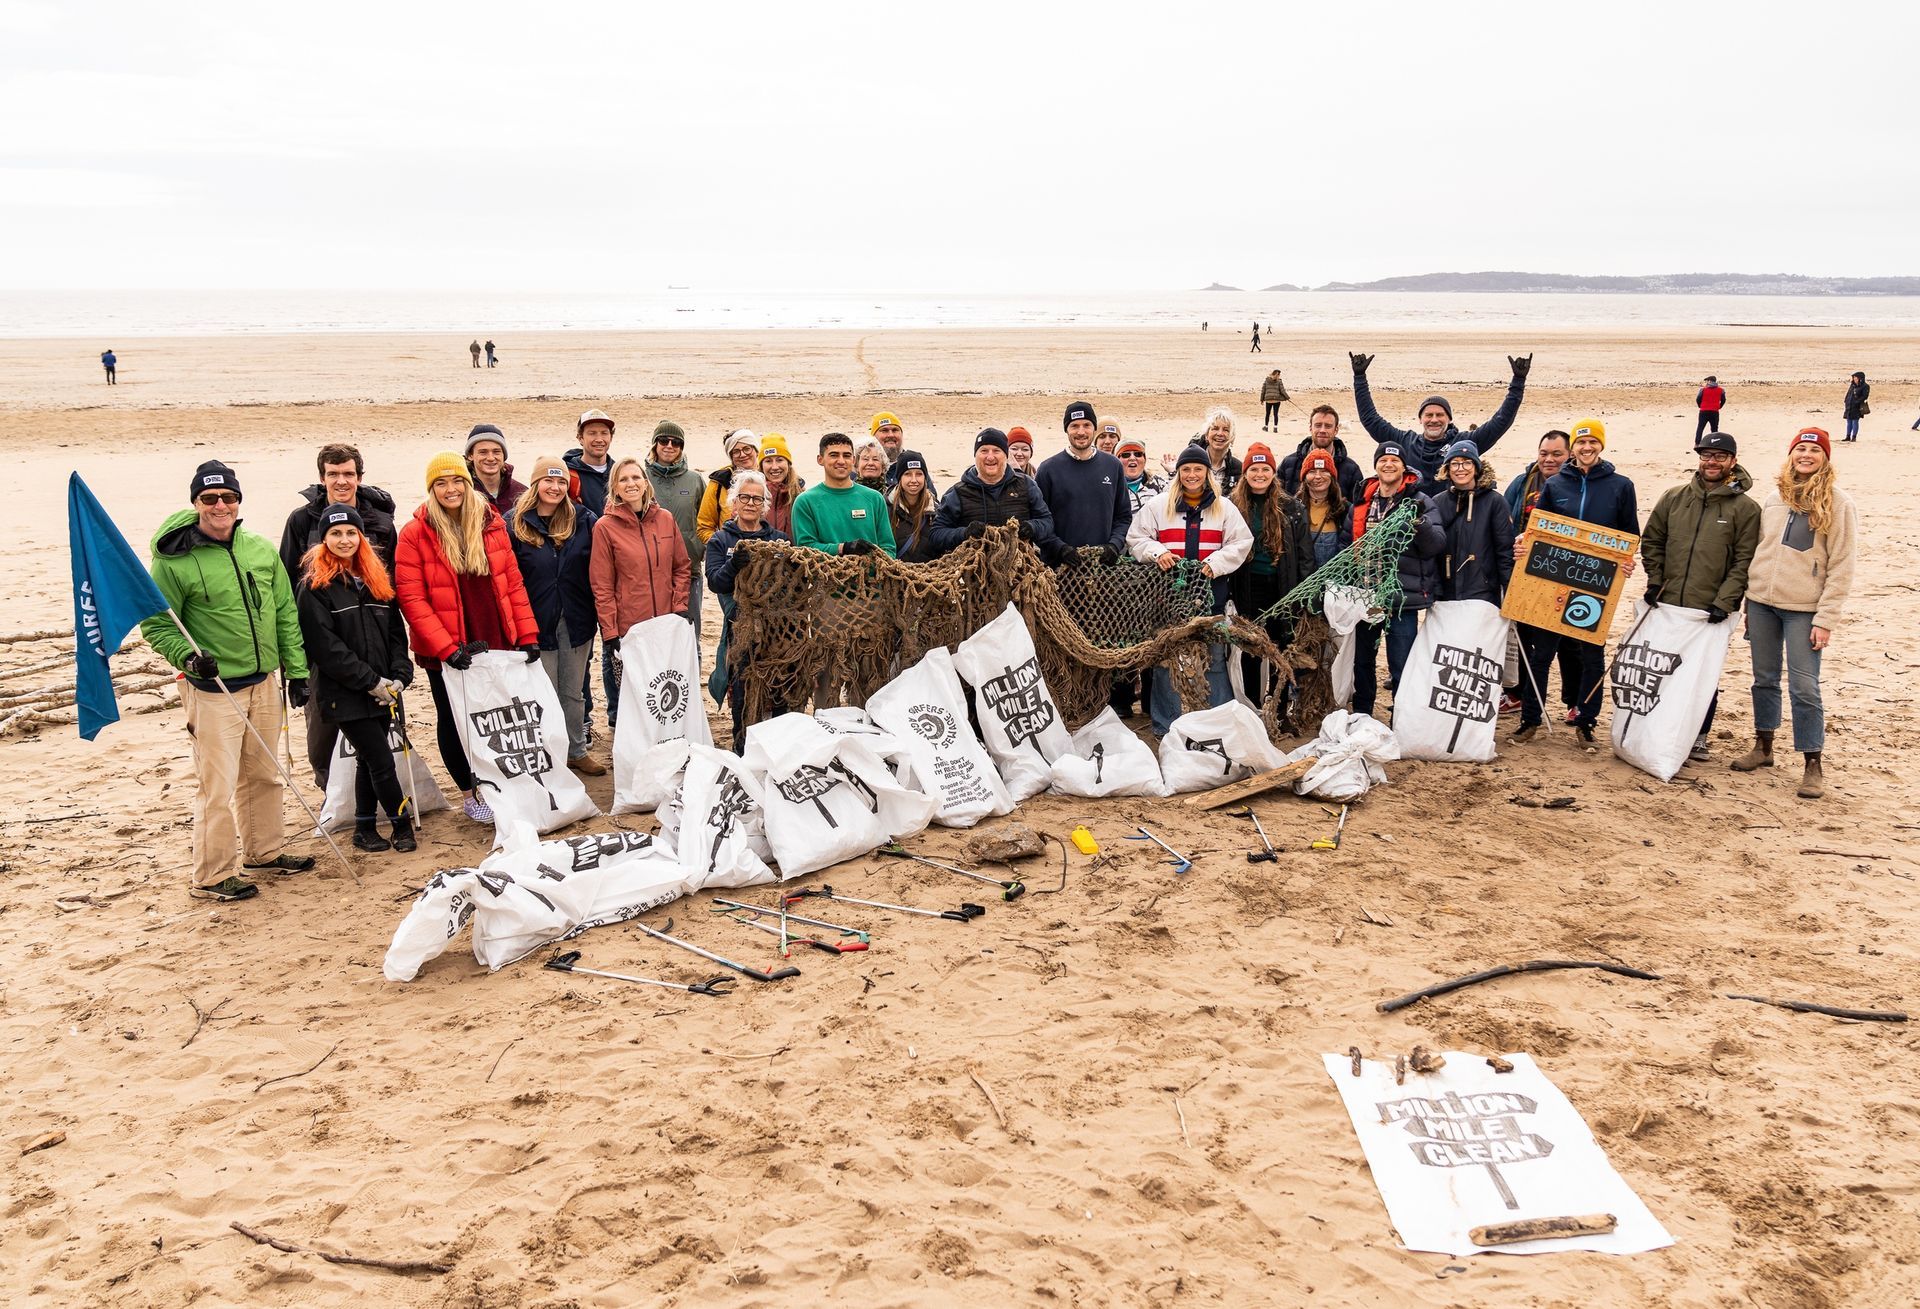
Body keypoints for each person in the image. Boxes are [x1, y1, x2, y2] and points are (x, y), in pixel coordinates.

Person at [141, 461, 313, 900]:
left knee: (264, 774)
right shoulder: (173, 561)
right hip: (212, 690)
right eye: (209, 499)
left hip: (263, 681)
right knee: (216, 786)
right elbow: (157, 626)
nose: (220, 506)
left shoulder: (258, 547)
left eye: (228, 498)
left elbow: (285, 614)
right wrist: (188, 658)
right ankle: (212, 875)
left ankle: (265, 852)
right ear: (196, 503)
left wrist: (295, 671)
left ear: (239, 501)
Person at [394, 453, 541, 824]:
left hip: (493, 633)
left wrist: (526, 633)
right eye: (440, 483)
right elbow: (412, 598)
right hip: (448, 645)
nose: (450, 489)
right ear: (431, 489)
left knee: (496, 715)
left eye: (456, 481)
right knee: (453, 716)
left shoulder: (490, 524)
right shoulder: (415, 533)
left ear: (467, 482)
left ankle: (503, 781)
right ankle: (470, 792)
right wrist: (446, 648)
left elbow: (513, 582)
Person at [1732, 428, 1856, 799]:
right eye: (1800, 449)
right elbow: (1759, 550)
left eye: (1813, 450)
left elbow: (1842, 565)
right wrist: (1751, 602)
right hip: (1763, 604)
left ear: (1825, 458)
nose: (1806, 455)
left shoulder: (1838, 502)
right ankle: (1764, 746)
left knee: (1805, 687)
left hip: (1804, 610)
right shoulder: (1774, 498)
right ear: (1790, 455)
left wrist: (1826, 618)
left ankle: (1812, 763)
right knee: (1764, 678)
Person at [277, 442, 401, 786]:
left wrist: (396, 649)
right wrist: (292, 658)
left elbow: (392, 587)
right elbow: (286, 584)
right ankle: (328, 787)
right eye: (333, 474)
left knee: (375, 721)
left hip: (370, 635)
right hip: (321, 640)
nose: (341, 481)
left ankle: (370, 794)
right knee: (323, 723)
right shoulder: (302, 521)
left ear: (360, 477)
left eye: (348, 474)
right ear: (322, 478)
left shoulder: (380, 523)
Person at [295, 505, 415, 853]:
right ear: (324, 539)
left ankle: (364, 828)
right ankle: (401, 825)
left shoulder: (377, 581)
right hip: (343, 693)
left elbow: (396, 634)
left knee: (367, 758)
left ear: (361, 537)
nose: (344, 540)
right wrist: (369, 682)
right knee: (380, 759)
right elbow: (326, 648)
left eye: (351, 533)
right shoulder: (315, 587)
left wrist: (398, 676)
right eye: (336, 533)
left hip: (382, 689)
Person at [1511, 418, 1640, 744]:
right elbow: (1538, 528)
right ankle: (1530, 719)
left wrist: (1627, 560)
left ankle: (1586, 722)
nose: (1586, 448)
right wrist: (1524, 541)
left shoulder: (1620, 486)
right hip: (1554, 581)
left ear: (1601, 445)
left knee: (1591, 656)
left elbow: (1629, 535)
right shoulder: (1556, 486)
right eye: (1581, 443)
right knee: (1542, 656)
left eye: (1592, 443)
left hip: (1594, 585)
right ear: (1575, 449)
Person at [1641, 430, 1761, 764]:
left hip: (1710, 608)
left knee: (1701, 675)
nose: (1711, 461)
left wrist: (1725, 601)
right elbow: (1652, 541)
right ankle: (1657, 725)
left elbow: (1744, 559)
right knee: (1662, 668)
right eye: (1706, 455)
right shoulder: (1674, 497)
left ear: (1732, 461)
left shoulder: (1746, 509)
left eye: (1719, 456)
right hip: (1668, 602)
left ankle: (1700, 736)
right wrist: (1655, 581)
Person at [1127, 445, 1253, 734]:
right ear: (1179, 473)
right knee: (1164, 661)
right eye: (1186, 469)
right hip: (1167, 600)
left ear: (1207, 473)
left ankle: (1220, 722)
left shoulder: (1224, 508)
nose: (1192, 475)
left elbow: (1241, 542)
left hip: (1211, 598)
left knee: (1215, 660)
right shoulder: (1159, 506)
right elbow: (1136, 538)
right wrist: (1157, 552)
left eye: (1198, 469)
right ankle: (1165, 726)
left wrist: (1216, 562)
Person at [507, 457, 603, 776]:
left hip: (576, 620)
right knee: (541, 692)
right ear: (535, 485)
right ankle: (548, 753)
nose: (555, 487)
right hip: (536, 622)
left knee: (572, 691)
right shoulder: (514, 523)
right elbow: (508, 578)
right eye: (549, 481)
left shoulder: (583, 519)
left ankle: (576, 749)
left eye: (561, 481)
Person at [1347, 441, 1445, 717]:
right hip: (1367, 595)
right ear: (1376, 465)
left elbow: (1436, 543)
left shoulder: (1420, 501)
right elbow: (1347, 542)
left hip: (1403, 598)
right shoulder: (1363, 500)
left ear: (1404, 467)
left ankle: (1403, 718)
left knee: (1401, 663)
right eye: (1383, 460)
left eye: (1394, 461)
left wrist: (1420, 524)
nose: (1388, 465)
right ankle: (1363, 713)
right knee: (1362, 662)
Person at [590, 456, 692, 716]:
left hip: (666, 624)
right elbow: (602, 585)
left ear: (646, 483)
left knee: (664, 693)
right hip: (631, 629)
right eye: (623, 479)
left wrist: (679, 607)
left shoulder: (666, 519)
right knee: (635, 698)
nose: (631, 483)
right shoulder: (605, 527)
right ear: (615, 487)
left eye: (636, 477)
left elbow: (681, 566)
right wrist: (611, 632)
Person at [1349, 351, 1532, 492]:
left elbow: (1500, 423)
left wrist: (1518, 382)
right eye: (1428, 415)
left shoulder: (1463, 444)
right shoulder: (1405, 442)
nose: (1434, 420)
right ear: (1420, 419)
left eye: (1440, 415)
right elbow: (1370, 420)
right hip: (1414, 522)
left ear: (1449, 419)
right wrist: (1359, 378)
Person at [706, 470, 790, 749]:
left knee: (778, 690)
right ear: (734, 502)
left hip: (777, 632)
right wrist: (734, 564)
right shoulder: (721, 540)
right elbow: (716, 582)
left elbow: (792, 582)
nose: (751, 503)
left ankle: (777, 746)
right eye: (745, 497)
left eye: (757, 498)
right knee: (742, 692)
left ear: (765, 504)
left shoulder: (778, 539)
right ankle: (742, 746)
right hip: (738, 628)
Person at [1502, 430, 1581, 722]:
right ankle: (1521, 694)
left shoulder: (1580, 484)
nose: (1549, 459)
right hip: (1529, 573)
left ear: (1569, 454)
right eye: (1544, 453)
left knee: (1571, 639)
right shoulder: (1523, 483)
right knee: (1524, 637)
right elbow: (1506, 521)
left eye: (1556, 454)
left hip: (1572, 573)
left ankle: (1574, 701)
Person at [1227, 442, 1312, 701]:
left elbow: (1304, 554)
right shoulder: (1233, 505)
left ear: (1273, 472)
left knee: (1280, 648)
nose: (1260, 474)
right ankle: (1252, 705)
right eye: (1254, 468)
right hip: (1247, 586)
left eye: (1265, 468)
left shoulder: (1291, 507)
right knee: (1251, 648)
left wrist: (1304, 593)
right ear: (1245, 473)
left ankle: (1278, 704)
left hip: (1281, 586)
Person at [928, 429, 1067, 560]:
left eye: (996, 451)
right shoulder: (957, 493)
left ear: (1006, 455)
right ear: (975, 456)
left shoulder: (1026, 485)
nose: (990, 457)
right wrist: (964, 533)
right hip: (974, 575)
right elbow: (936, 534)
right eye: (984, 451)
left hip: (1020, 572)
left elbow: (1047, 522)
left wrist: (1032, 527)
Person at [1036, 399, 1131, 562]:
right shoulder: (1047, 470)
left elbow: (1123, 516)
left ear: (1094, 428)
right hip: (1058, 568)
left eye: (1086, 425)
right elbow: (1039, 521)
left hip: (1103, 568)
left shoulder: (1113, 465)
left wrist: (1114, 545)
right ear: (1066, 430)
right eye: (1074, 426)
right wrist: (1060, 548)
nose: (1081, 432)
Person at [1432, 441, 1515, 605]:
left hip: (1483, 593)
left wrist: (1509, 593)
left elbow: (1504, 551)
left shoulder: (1495, 501)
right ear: (1447, 469)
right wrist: (1434, 590)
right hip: (1446, 593)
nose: (1460, 468)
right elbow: (1432, 551)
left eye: (1467, 462)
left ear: (1476, 467)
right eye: (1454, 463)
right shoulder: (1438, 502)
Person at [642, 420, 706, 629]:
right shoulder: (641, 478)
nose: (669, 446)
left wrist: (700, 549)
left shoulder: (695, 480)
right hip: (648, 571)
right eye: (663, 440)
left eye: (676, 442)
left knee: (688, 633)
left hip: (689, 569)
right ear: (655, 444)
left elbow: (706, 520)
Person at [792, 432, 898, 557]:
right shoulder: (805, 502)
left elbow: (889, 548)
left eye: (846, 455)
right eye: (834, 455)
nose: (841, 461)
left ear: (853, 460)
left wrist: (868, 568)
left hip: (870, 576)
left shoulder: (874, 499)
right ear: (820, 459)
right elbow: (805, 548)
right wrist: (843, 548)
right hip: (825, 576)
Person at [1277, 404, 1366, 504]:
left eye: (1328, 426)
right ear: (1311, 428)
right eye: (1318, 425)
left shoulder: (1351, 469)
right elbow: (1276, 502)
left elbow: (1358, 509)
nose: (1322, 430)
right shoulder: (1288, 464)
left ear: (1336, 430)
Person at [696, 429, 761, 549]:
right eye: (736, 452)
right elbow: (704, 526)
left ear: (756, 451)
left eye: (747, 448)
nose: (742, 454)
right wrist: (722, 545)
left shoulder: (770, 476)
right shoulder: (720, 482)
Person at [1165, 405, 1244, 494]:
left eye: (1226, 430)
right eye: (1215, 428)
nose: (1220, 433)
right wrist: (1173, 473)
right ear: (1206, 435)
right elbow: (1175, 493)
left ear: (1232, 437)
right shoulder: (1190, 460)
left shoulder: (1238, 468)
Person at [1297, 450, 1352, 570]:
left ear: (1332, 477)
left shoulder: (1346, 510)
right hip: (1301, 582)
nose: (1318, 476)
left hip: (1334, 582)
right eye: (1312, 471)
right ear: (1304, 477)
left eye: (1324, 471)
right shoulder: (1293, 509)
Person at [463, 424, 526, 516]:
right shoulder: (462, 492)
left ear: (503, 455)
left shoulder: (521, 493)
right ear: (470, 455)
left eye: (496, 452)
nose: (491, 458)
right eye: (483, 452)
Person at [887, 450, 938, 562]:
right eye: (908, 474)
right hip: (894, 575)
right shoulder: (885, 508)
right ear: (899, 478)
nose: (914, 480)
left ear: (925, 478)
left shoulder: (936, 510)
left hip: (930, 576)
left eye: (919, 474)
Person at [565, 409, 617, 515]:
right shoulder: (567, 475)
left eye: (604, 433)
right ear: (580, 438)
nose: (599, 439)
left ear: (611, 437)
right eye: (592, 433)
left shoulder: (619, 473)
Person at [758, 433, 803, 536]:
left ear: (788, 463)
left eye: (779, 460)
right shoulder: (750, 496)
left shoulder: (801, 495)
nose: (774, 467)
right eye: (768, 461)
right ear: (761, 466)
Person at [1117, 438, 1166, 516]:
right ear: (1117, 461)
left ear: (1144, 460)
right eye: (1126, 455)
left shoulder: (1158, 483)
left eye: (1138, 454)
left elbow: (1177, 500)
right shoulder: (1112, 488)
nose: (1132, 458)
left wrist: (1172, 473)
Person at [1696, 375, 1726, 441]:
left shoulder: (1703, 389)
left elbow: (1698, 399)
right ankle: (1714, 443)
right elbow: (1723, 400)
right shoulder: (1721, 390)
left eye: (1707, 381)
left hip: (1703, 411)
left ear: (1709, 381)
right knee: (1714, 429)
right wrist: (1719, 406)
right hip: (1714, 411)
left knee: (1700, 428)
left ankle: (1697, 443)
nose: (1706, 382)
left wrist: (1700, 406)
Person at [1842, 371, 1869, 442]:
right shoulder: (1852, 385)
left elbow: (1865, 396)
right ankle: (1847, 436)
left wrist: (1857, 402)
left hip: (1857, 406)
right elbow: (1848, 394)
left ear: (1860, 378)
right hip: (1849, 405)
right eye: (1854, 378)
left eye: (1856, 378)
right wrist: (1846, 401)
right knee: (1848, 421)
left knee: (1855, 421)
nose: (1854, 379)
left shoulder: (1865, 386)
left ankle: (1854, 437)